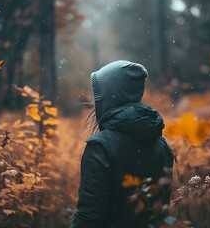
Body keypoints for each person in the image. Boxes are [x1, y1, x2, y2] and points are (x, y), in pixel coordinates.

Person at [70, 60, 174, 228]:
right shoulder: (162, 146)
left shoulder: (100, 147)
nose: (95, 101)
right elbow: (160, 214)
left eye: (98, 95)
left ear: (110, 97)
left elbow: (88, 218)